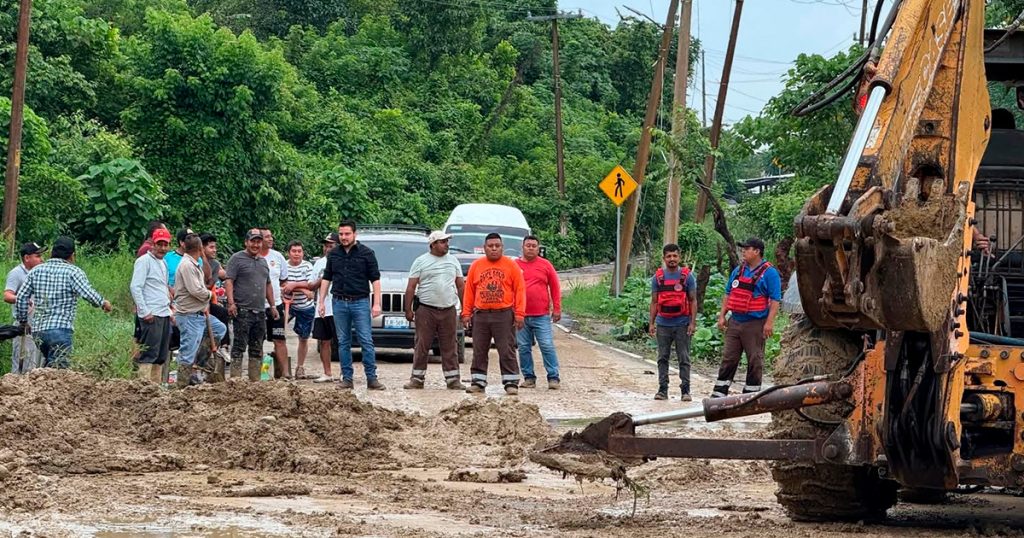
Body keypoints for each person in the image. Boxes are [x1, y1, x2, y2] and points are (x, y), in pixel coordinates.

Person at [15, 236, 112, 368]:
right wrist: (103, 303)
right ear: (72, 256)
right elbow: (88, 293)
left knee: (49, 366)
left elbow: (21, 297)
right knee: (59, 373)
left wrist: (23, 321)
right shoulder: (73, 272)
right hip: (60, 330)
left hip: (38, 332)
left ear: (51, 253)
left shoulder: (35, 271)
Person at [318, 220, 385, 390]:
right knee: (343, 342)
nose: (344, 237)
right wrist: (321, 302)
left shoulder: (367, 253)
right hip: (339, 302)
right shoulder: (333, 254)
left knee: (366, 340)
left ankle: (372, 378)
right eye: (341, 234)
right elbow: (327, 278)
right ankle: (347, 378)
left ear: (355, 234)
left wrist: (376, 303)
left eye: (347, 234)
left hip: (360, 302)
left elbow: (375, 279)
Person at [714, 237, 782, 397]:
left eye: (747, 248)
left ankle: (751, 395)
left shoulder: (770, 273)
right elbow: (728, 294)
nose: (743, 251)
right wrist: (722, 316)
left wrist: (769, 323)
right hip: (735, 321)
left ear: (757, 251)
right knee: (729, 358)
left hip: (755, 324)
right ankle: (719, 393)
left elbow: (775, 300)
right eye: (743, 248)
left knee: (754, 359)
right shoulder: (738, 271)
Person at [462, 233, 526, 395]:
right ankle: (478, 381)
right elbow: (469, 291)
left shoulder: (511, 266)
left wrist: (520, 314)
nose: (494, 248)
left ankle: (511, 382)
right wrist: (466, 313)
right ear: (484, 248)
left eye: (497, 246)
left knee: (506, 349)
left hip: (504, 314)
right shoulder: (476, 266)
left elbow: (520, 290)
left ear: (502, 247)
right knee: (479, 350)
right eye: (490, 246)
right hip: (481, 315)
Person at [402, 231, 465, 390]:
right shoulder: (421, 261)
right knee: (422, 344)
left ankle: (453, 379)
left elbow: (460, 285)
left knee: (450, 345)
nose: (446, 244)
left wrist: (466, 308)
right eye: (442, 242)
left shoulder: (453, 261)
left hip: (448, 309)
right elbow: (411, 286)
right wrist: (408, 309)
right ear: (433, 244)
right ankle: (417, 379)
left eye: (446, 241)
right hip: (426, 310)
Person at [174, 233, 227, 388]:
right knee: (187, 351)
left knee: (219, 329)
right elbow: (196, 290)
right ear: (199, 248)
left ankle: (200, 363)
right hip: (189, 315)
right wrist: (210, 295)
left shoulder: (194, 263)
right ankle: (182, 385)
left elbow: (207, 276)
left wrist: (203, 257)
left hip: (199, 313)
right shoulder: (186, 266)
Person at [225, 229, 277, 381]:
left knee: (257, 347)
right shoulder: (237, 259)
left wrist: (272, 306)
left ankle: (255, 380)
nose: (255, 244)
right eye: (252, 241)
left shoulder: (263, 262)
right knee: (239, 347)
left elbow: (268, 285)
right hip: (242, 310)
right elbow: (229, 281)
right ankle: (235, 381)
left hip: (259, 311)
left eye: (258, 241)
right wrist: (231, 303)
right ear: (246, 242)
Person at [648, 243, 698, 401]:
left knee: (684, 357)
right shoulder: (658, 278)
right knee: (662, 357)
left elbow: (693, 300)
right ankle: (663, 389)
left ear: (679, 257)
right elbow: (654, 302)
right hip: (663, 324)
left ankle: (685, 390)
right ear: (664, 258)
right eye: (668, 256)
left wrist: (692, 323)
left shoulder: (687, 277)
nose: (672, 259)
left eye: (675, 256)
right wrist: (651, 323)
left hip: (682, 324)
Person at [515, 235, 562, 390]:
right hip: (521, 315)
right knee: (523, 347)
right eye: (528, 245)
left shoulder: (545, 265)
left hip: (541, 315)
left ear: (538, 248)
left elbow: (555, 287)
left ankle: (553, 377)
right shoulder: (514, 265)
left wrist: (557, 308)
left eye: (534, 246)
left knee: (547, 345)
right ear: (522, 247)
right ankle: (529, 378)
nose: (530, 248)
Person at [130, 228, 173, 382]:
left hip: (163, 312)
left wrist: (170, 309)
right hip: (151, 314)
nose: (162, 248)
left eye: (165, 245)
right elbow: (136, 287)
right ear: (153, 244)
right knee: (149, 354)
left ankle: (156, 389)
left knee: (160, 355)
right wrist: (145, 311)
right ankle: (144, 388)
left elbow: (162, 287)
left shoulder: (163, 263)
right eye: (159, 244)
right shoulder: (144, 261)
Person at [4, 242, 45, 373]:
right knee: (22, 362)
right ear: (27, 258)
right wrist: (21, 299)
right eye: (37, 256)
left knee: (35, 363)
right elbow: (7, 295)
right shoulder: (16, 273)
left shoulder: (39, 273)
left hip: (39, 324)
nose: (41, 259)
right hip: (24, 324)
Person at [282, 240, 315, 378]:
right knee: (279, 334)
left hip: (305, 307)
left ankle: (300, 367)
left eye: (299, 251)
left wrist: (294, 285)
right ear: (288, 253)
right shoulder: (283, 265)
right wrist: (302, 289)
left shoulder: (307, 266)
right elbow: (283, 284)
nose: (296, 254)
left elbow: (310, 284)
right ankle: (282, 366)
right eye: (294, 251)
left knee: (303, 338)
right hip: (286, 304)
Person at [308, 233, 338, 383]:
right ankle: (327, 373)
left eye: (331, 246)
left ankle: (346, 374)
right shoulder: (319, 263)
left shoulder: (342, 261)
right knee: (324, 341)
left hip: (339, 307)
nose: (327, 249)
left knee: (343, 342)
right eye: (326, 246)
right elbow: (312, 285)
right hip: (323, 307)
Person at [260, 228, 289, 378]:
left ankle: (285, 373)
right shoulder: (253, 257)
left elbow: (284, 279)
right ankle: (260, 374)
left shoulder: (277, 257)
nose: (270, 239)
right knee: (257, 341)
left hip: (276, 306)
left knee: (279, 339)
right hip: (257, 306)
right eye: (266, 237)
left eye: (271, 236)